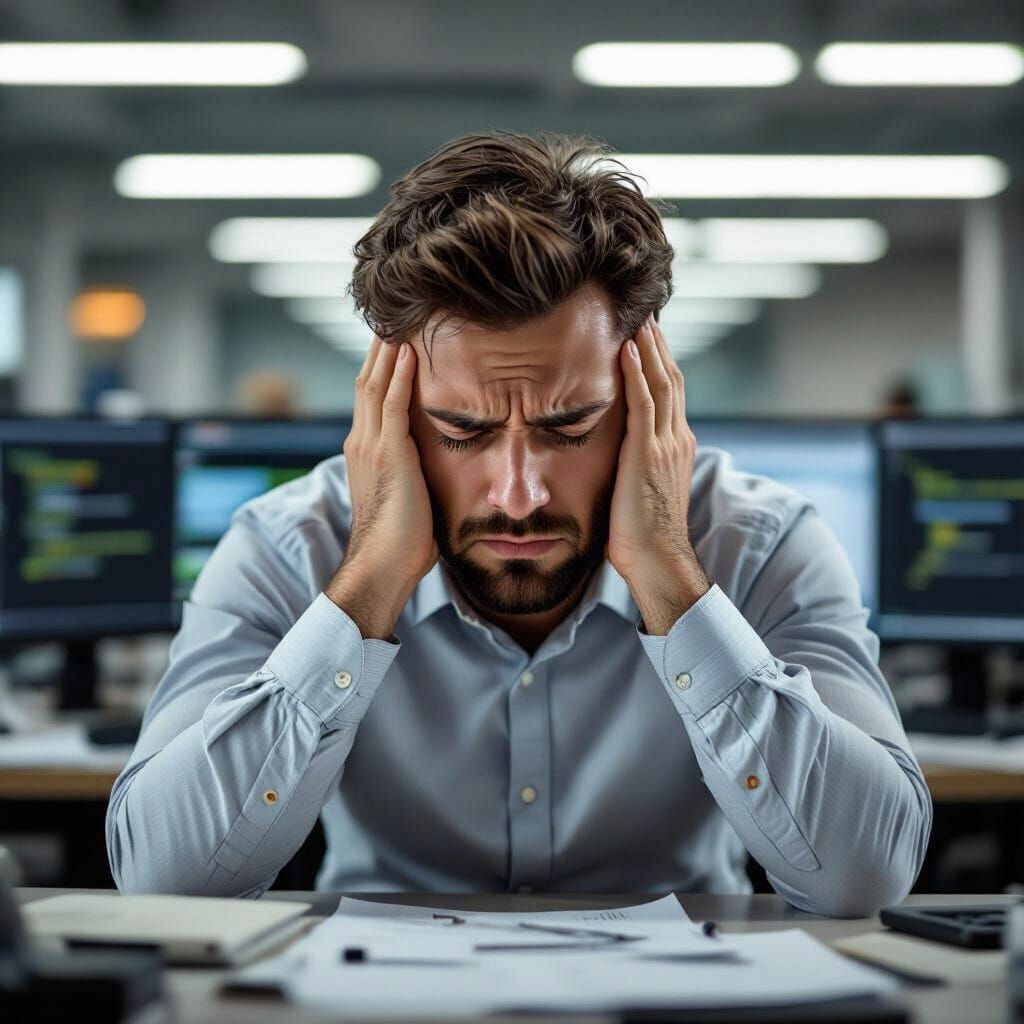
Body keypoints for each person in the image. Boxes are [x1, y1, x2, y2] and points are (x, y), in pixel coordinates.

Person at [106, 132, 931, 916]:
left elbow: (865, 876)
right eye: (461, 431)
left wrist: (675, 583)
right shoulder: (289, 544)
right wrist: (364, 591)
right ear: (388, 411)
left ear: (649, 399)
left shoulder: (763, 541)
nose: (519, 493)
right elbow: (164, 879)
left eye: (570, 426)